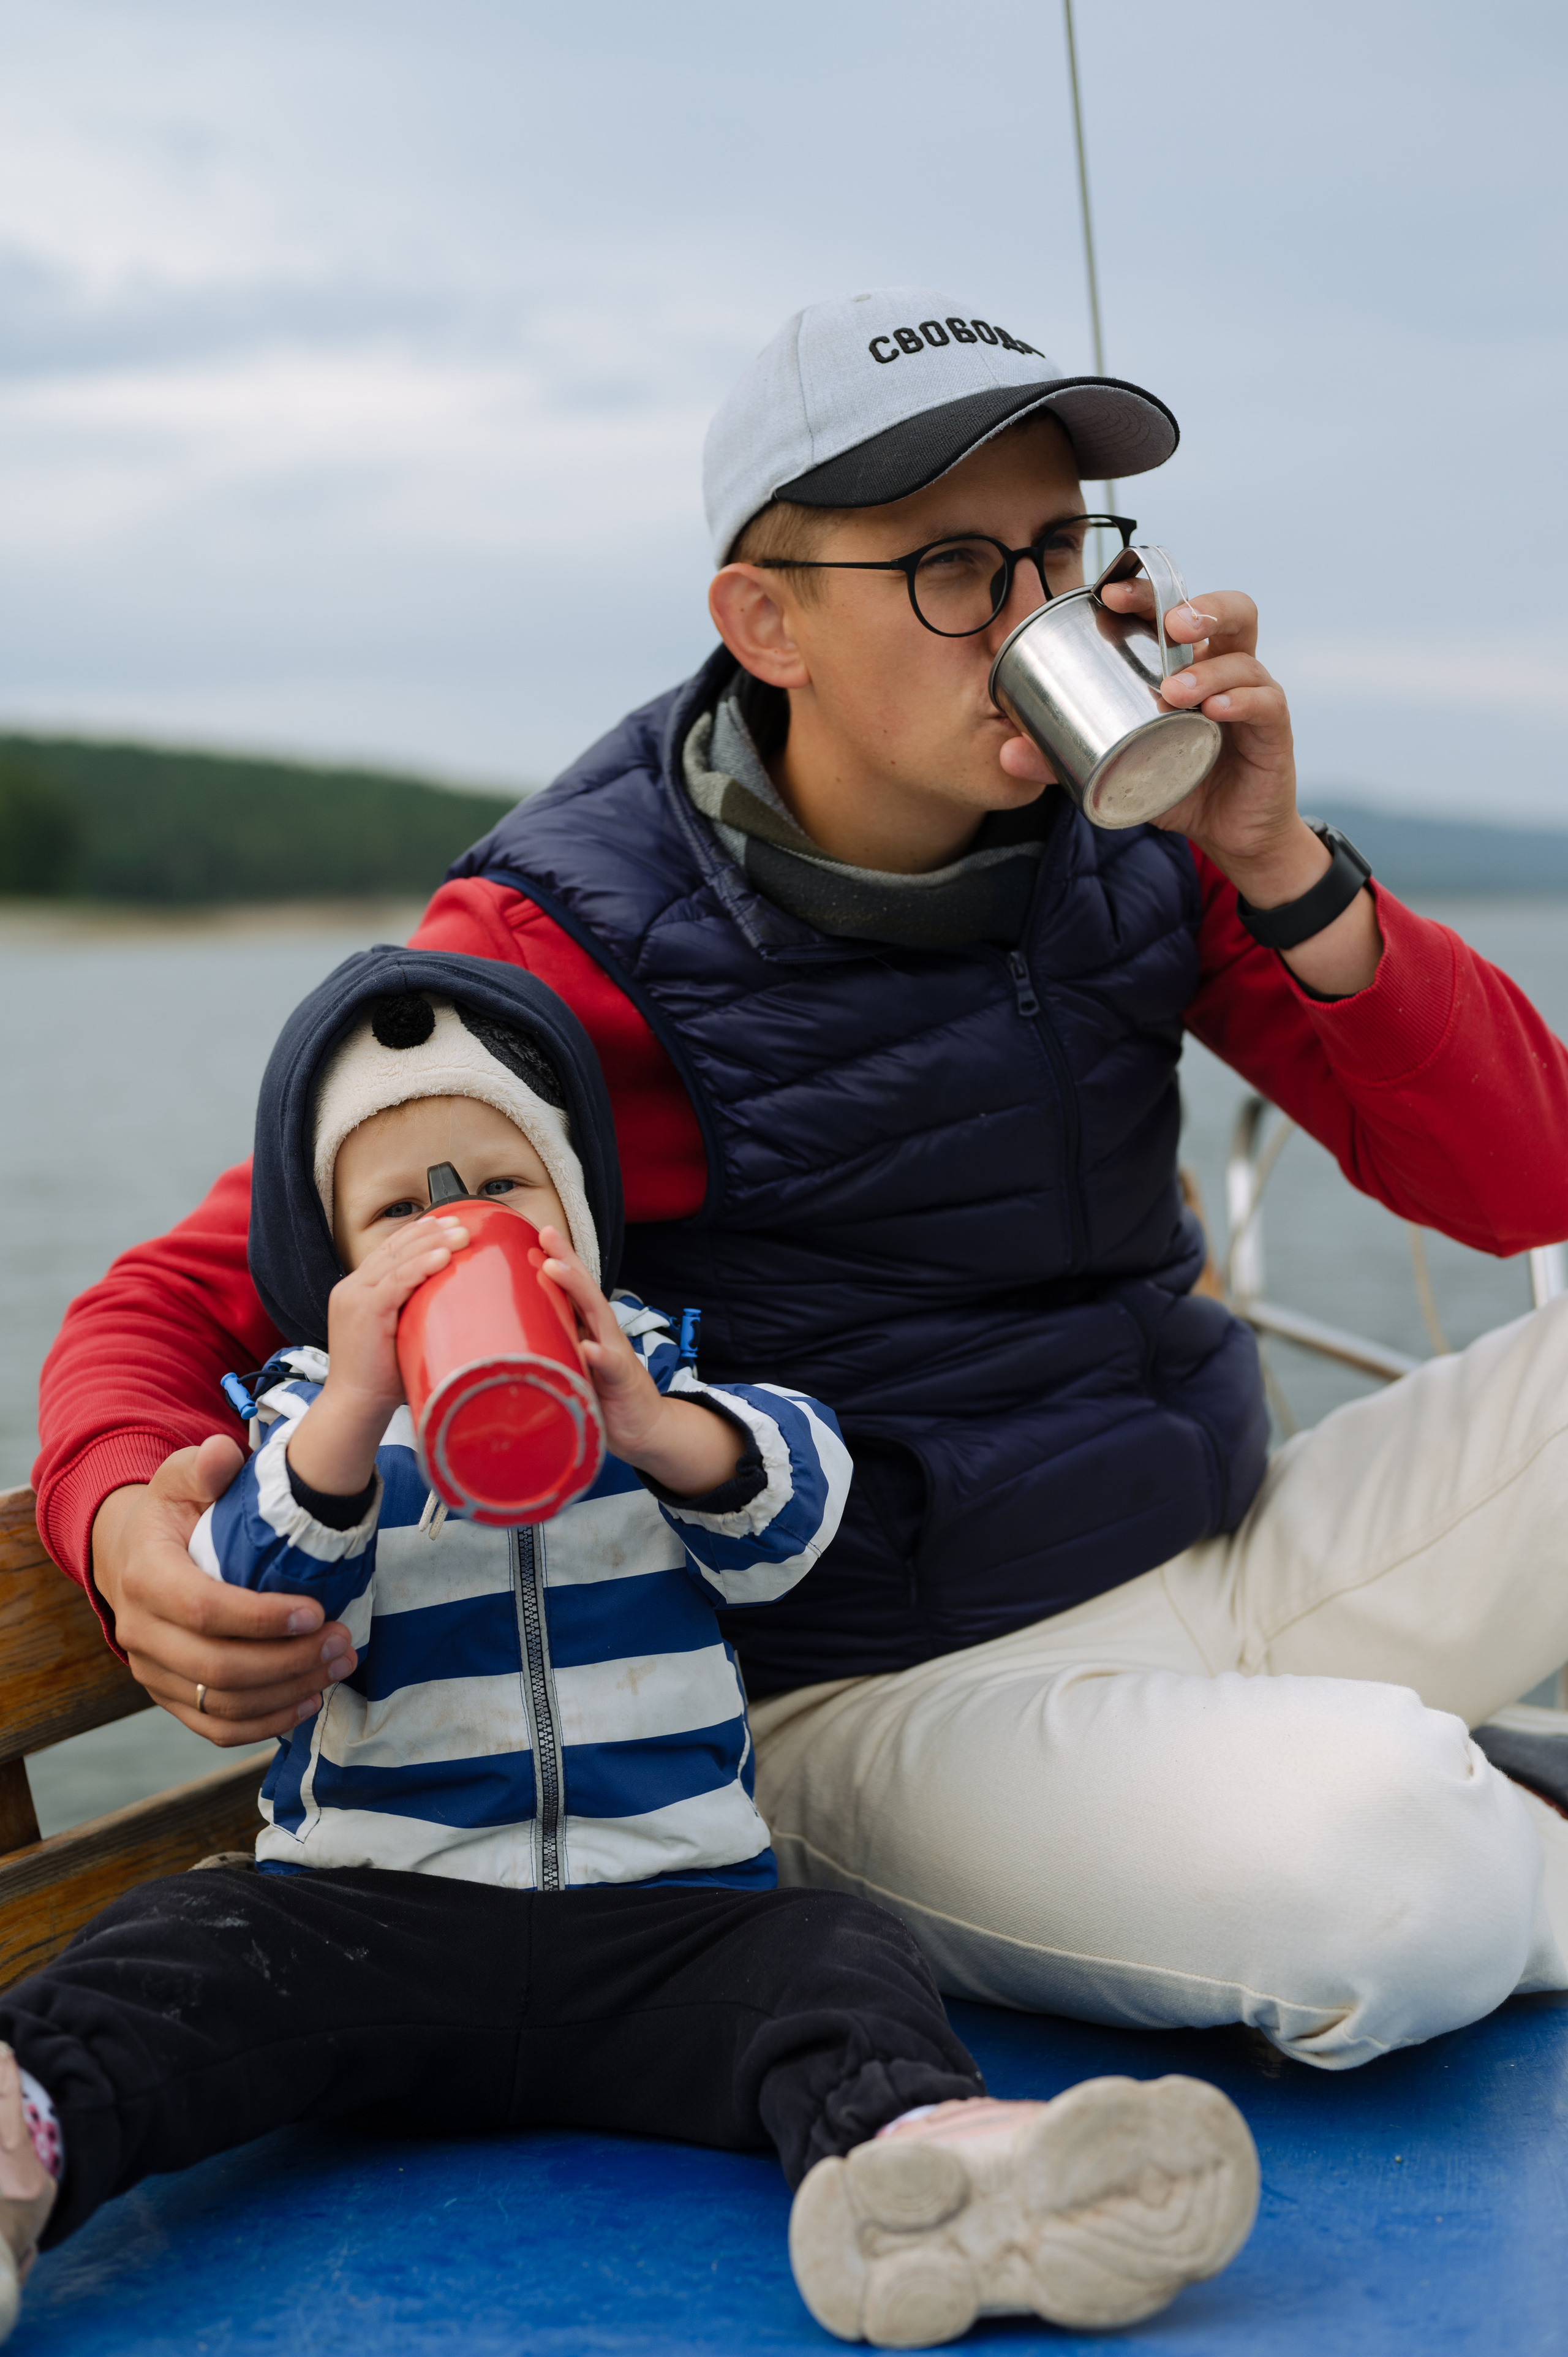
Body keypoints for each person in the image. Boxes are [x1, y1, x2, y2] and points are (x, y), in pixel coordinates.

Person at [34, 286, 1568, 2077]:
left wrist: (1287, 864)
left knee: (1379, 1815)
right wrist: (129, 1528)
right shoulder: (567, 950)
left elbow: (1517, 1176)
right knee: (1382, 1870)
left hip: (1232, 1547)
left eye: (1063, 553)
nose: (1032, 619)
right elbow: (177, 1301)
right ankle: (1382, 1819)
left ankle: (1317, 1795)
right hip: (885, 1709)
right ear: (766, 624)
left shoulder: (1146, 835)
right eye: (953, 569)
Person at [2, 948, 1261, 2349]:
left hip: (662, 1930)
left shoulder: (658, 1379)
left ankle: (933, 2175)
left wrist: (653, 1427)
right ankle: (24, 2139)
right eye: (397, 1213)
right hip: (374, 1924)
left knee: (836, 1954)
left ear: (577, 1214)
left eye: (497, 1187)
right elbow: (262, 1595)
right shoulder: (306, 1422)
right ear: (332, 1265)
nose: (454, 1229)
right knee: (184, 1941)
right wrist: (350, 1417)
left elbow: (791, 1518)